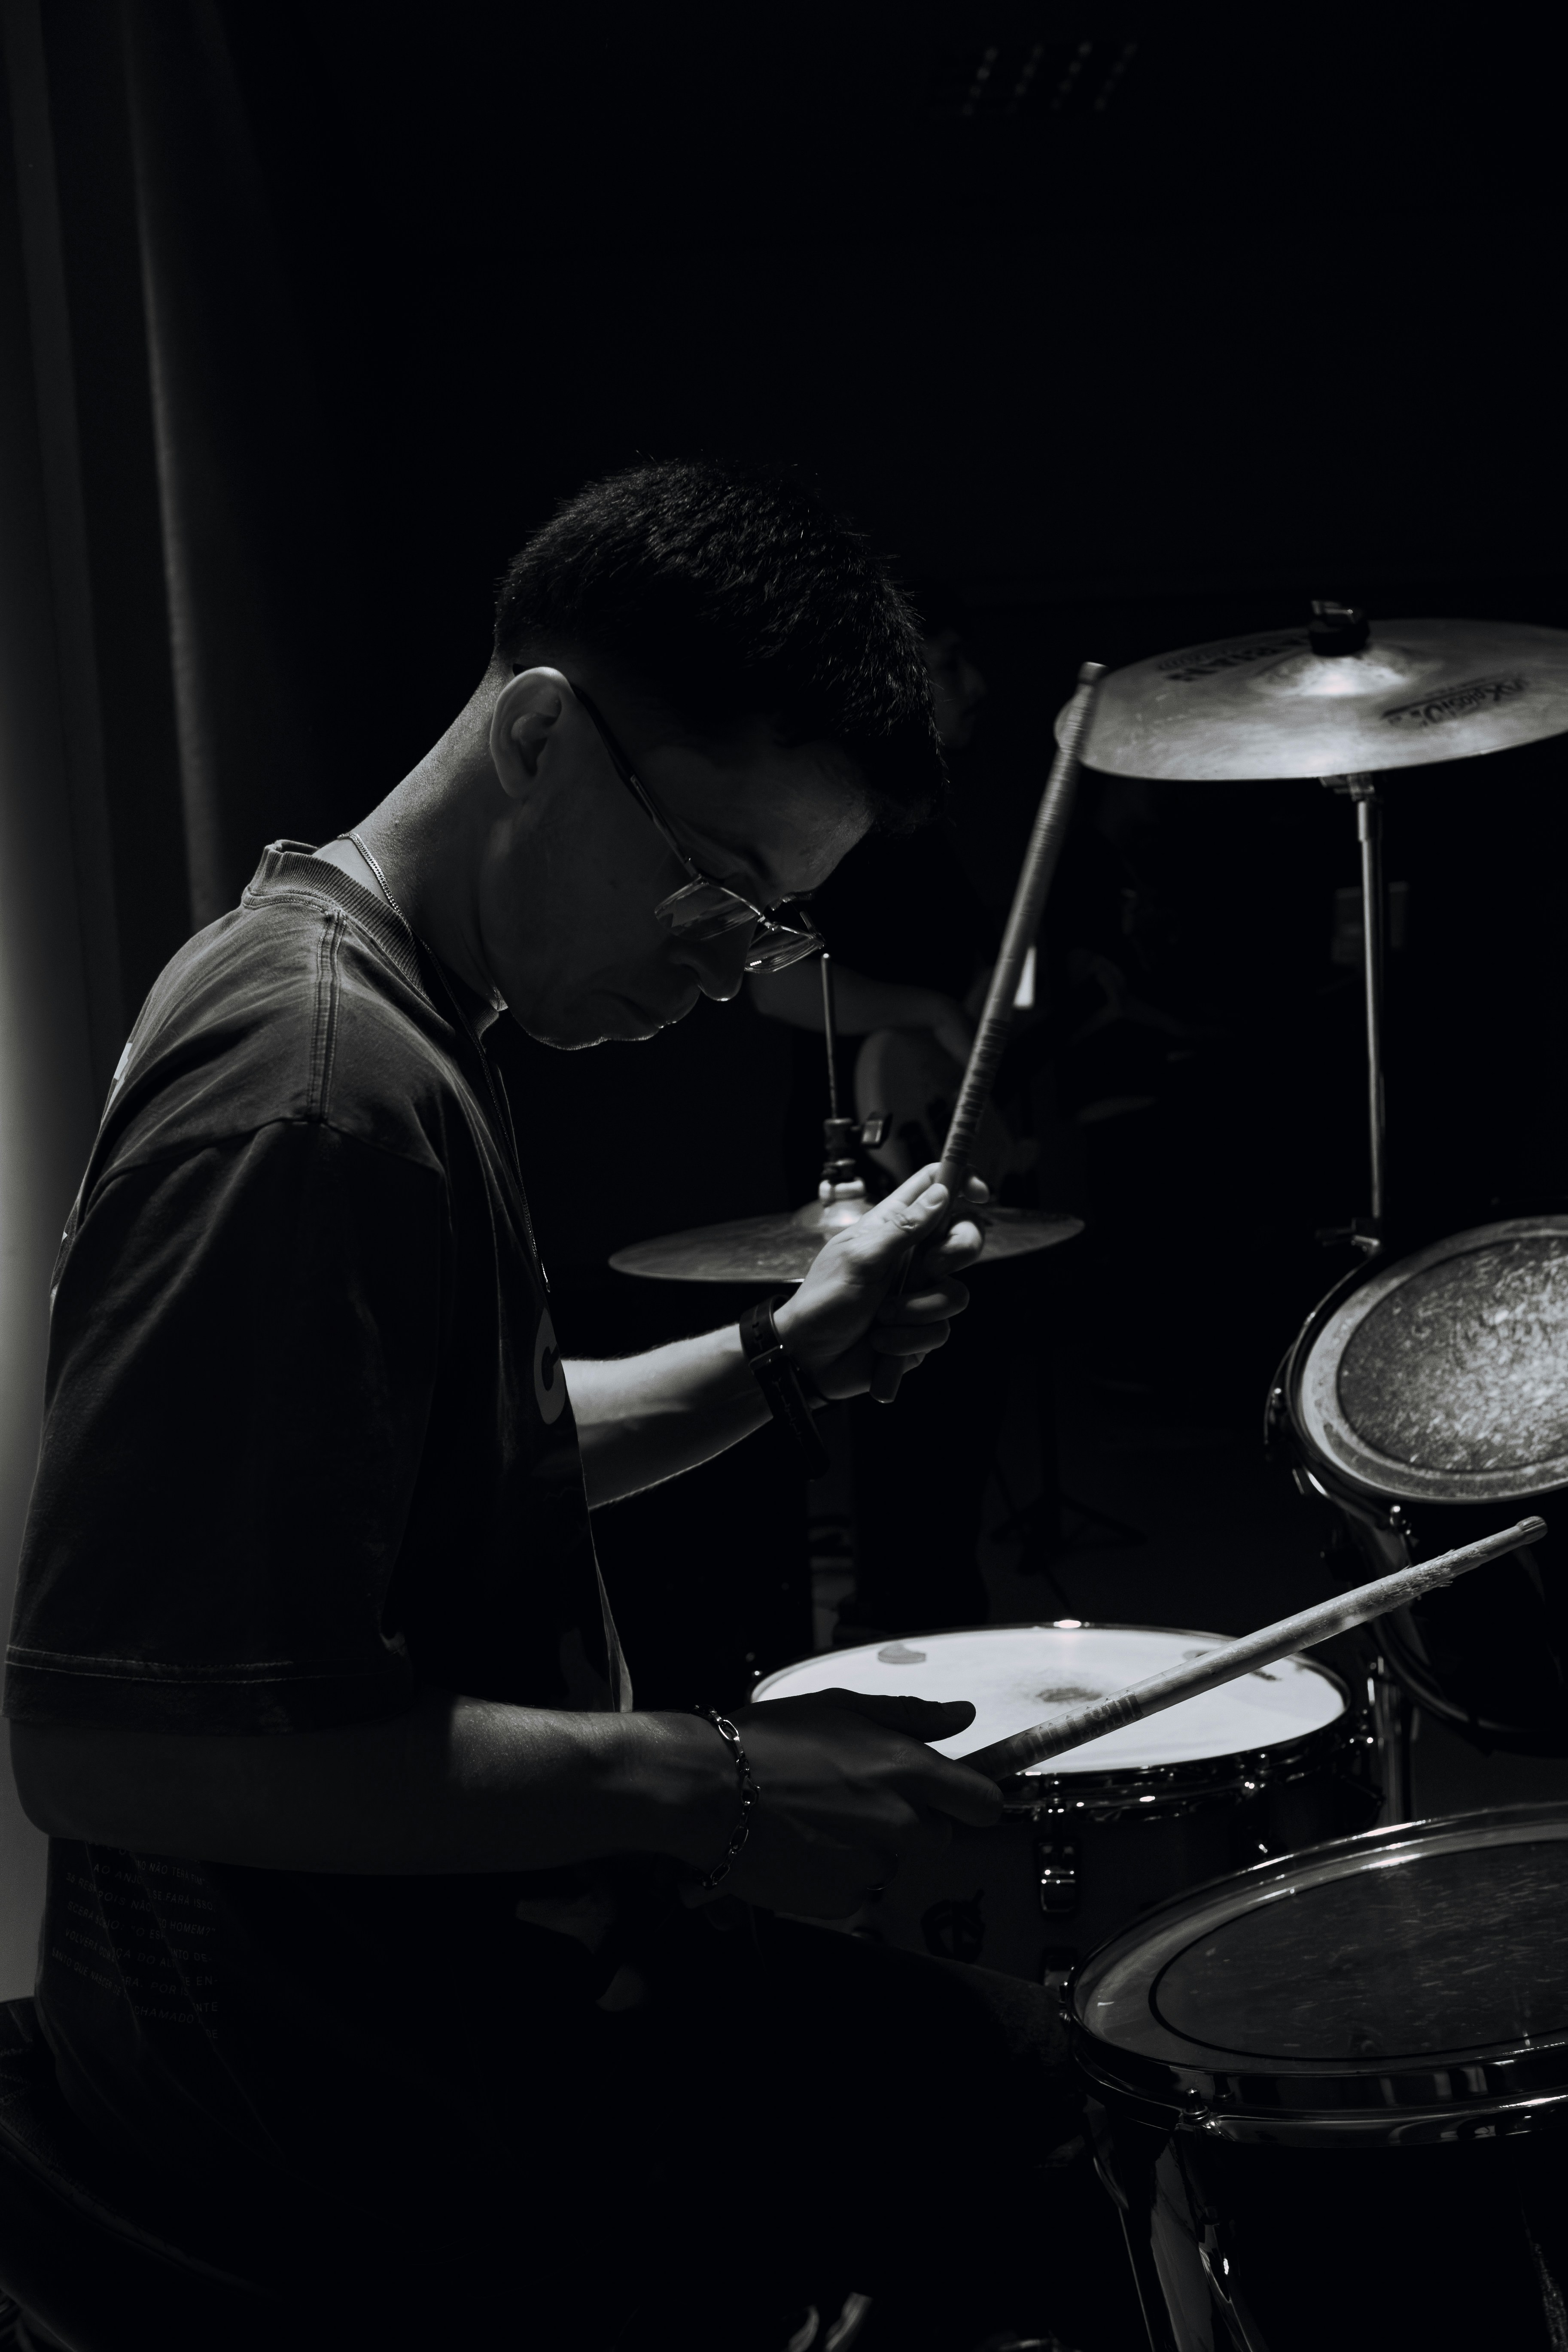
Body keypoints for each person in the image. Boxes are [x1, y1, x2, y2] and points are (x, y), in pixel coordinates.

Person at [4, 466, 1083, 2349]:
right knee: (1042, 2119)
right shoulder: (317, 1091)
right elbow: (116, 1747)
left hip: (401, 2005)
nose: (726, 967)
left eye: (773, 928)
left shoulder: (361, 996)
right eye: (719, 884)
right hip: (330, 2109)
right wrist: (715, 1777)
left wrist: (789, 1355)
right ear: (535, 737)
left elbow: (427, 1466)